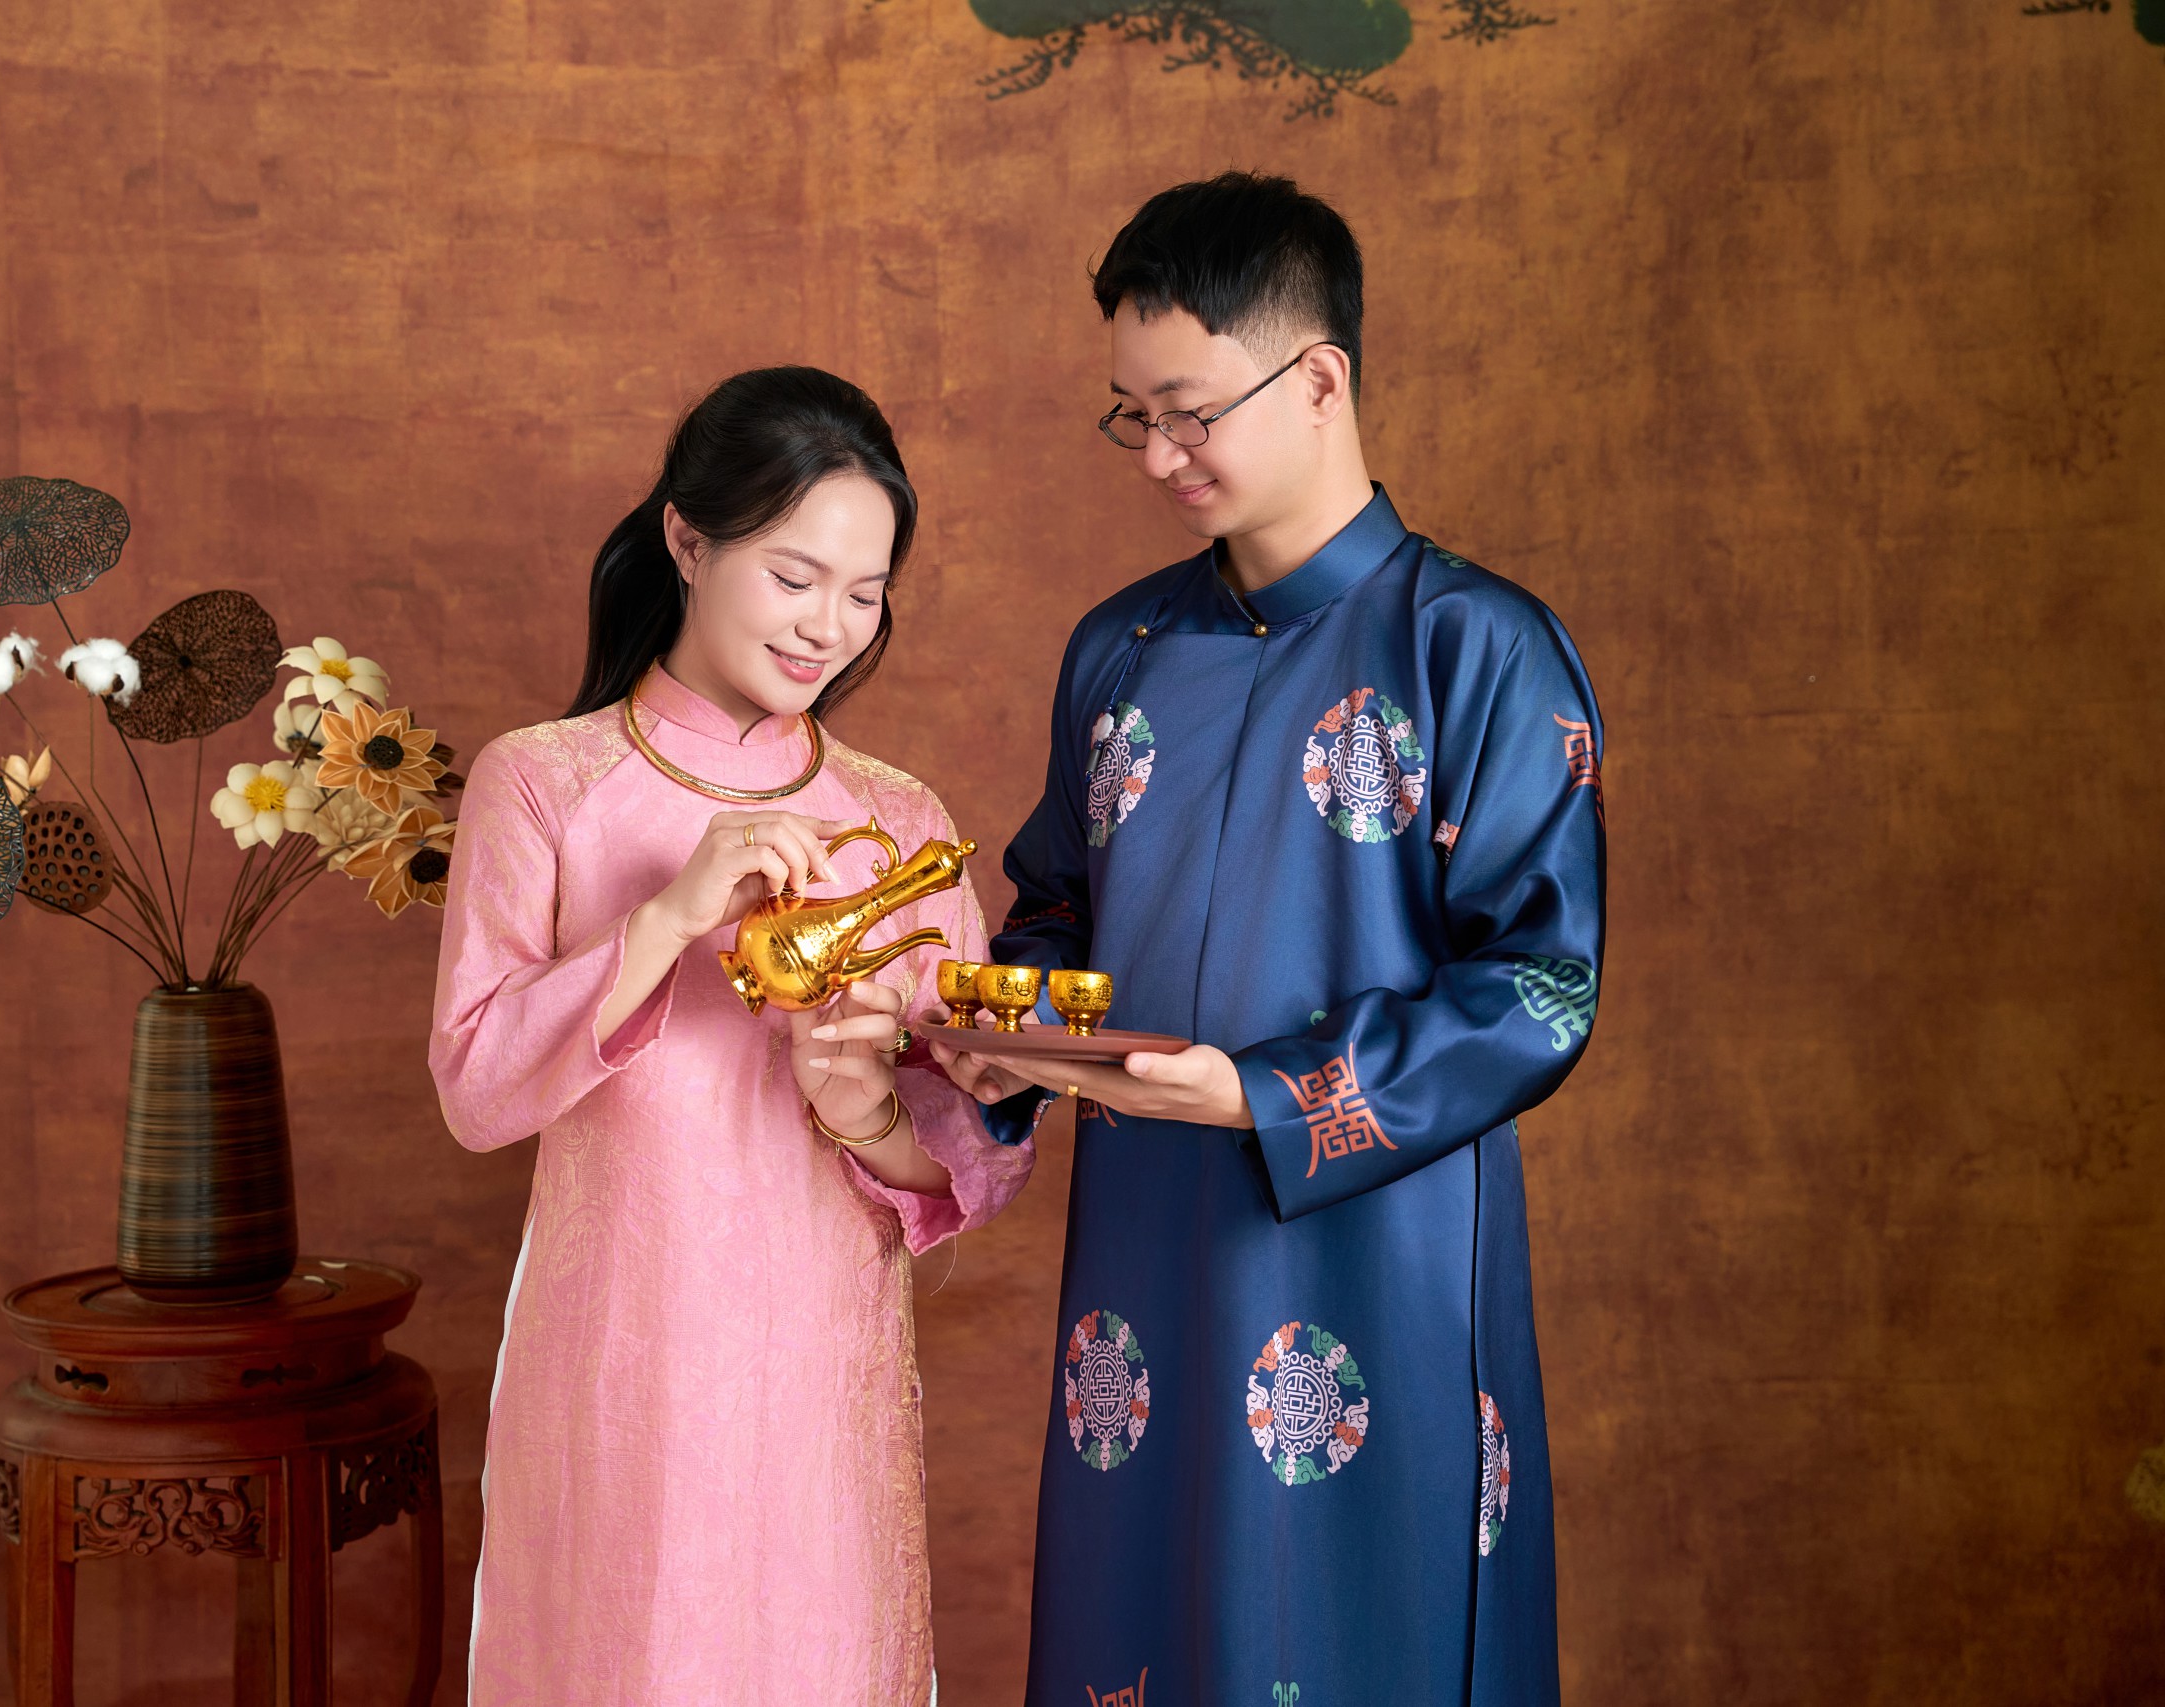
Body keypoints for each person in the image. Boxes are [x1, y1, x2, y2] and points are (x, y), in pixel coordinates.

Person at [935, 173, 1603, 1704]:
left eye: (1188, 413)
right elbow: (1054, 910)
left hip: (1375, 1238)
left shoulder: (1475, 645)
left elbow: (1540, 986)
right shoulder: (1120, 648)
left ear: (1319, 379)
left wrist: (1267, 1094)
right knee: (1143, 1622)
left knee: (1368, 1633)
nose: (1157, 455)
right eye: (1132, 416)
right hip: (1141, 1246)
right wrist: (998, 1041)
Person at [430, 366, 1031, 1705]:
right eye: (794, 576)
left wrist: (866, 1112)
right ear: (687, 541)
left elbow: (981, 1151)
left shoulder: (904, 822)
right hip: (618, 1379)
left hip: (825, 1387)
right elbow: (476, 1088)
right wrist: (664, 918)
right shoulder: (546, 783)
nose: (828, 628)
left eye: (865, 594)